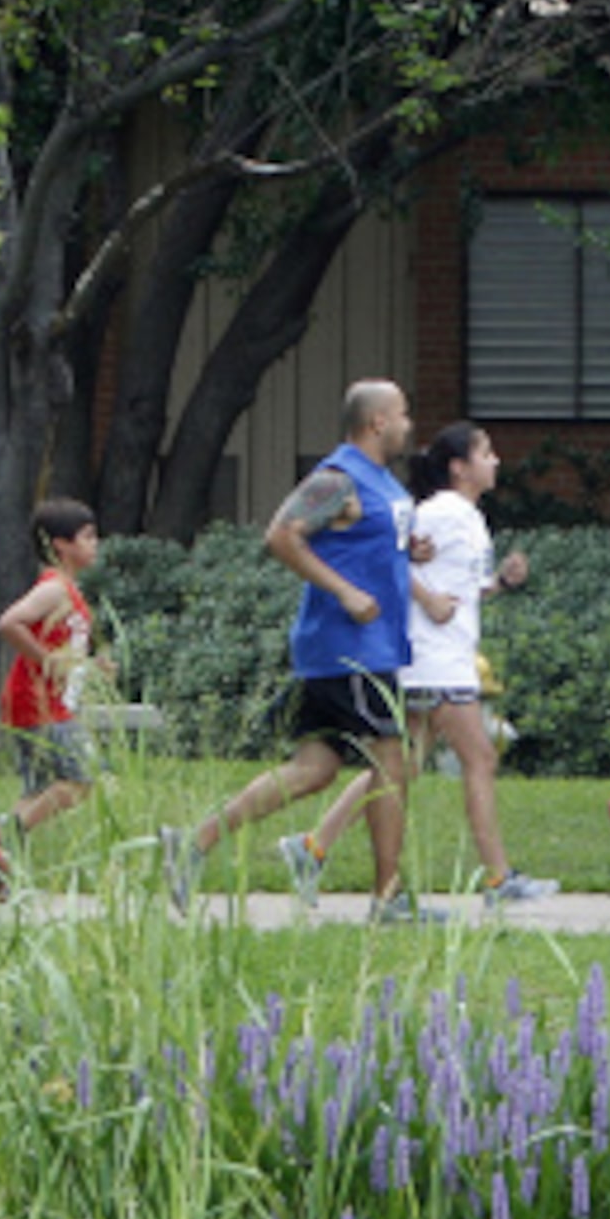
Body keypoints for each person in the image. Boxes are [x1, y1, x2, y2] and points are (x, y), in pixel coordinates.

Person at [160, 379, 429, 919]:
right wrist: (346, 592)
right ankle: (388, 898)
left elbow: (368, 542)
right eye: (402, 414)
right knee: (392, 763)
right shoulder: (339, 477)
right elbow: (282, 536)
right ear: (376, 421)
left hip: (364, 646)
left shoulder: (378, 482)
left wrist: (412, 550)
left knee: (315, 769)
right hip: (352, 648)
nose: (409, 424)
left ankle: (192, 842)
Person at [279, 423, 553, 910]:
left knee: (398, 768)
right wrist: (426, 599)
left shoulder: (467, 516)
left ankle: (311, 847)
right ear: (459, 467)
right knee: (480, 758)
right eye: (486, 452)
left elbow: (457, 586)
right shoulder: (441, 512)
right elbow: (390, 557)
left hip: (446, 655)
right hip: (432, 659)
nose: (496, 461)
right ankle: (497, 879)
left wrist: (501, 584)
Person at [0, 498, 105, 901]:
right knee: (81, 780)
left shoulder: (67, 589)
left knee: (37, 790)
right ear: (61, 545)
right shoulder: (54, 588)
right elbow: (9, 622)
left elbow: (63, 645)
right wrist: (46, 661)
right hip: (39, 703)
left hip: (46, 701)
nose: (96, 544)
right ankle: (9, 829)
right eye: (88, 537)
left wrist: (90, 666)